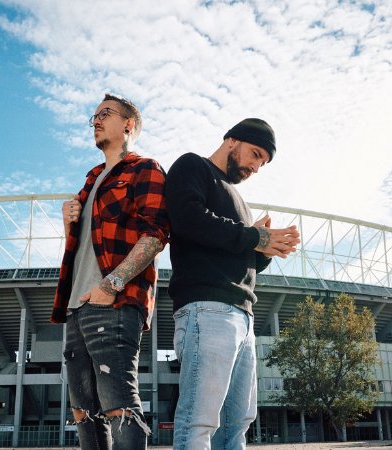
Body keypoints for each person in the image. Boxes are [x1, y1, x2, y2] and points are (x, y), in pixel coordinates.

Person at [165, 118, 301, 449]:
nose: (256, 166)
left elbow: (240, 258)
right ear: (231, 141)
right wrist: (255, 236)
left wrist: (267, 250)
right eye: (255, 154)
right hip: (207, 309)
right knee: (199, 420)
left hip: (243, 317)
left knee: (236, 426)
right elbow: (187, 219)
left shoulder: (239, 200)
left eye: (263, 163)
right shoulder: (191, 166)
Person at [50, 93, 169, 449]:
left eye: (105, 114)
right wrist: (68, 224)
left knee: (119, 403)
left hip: (114, 302)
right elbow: (84, 248)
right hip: (76, 304)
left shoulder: (144, 168)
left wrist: (112, 284)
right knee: (83, 411)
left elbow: (156, 233)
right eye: (94, 116)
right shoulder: (90, 180)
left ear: (128, 124)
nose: (96, 121)